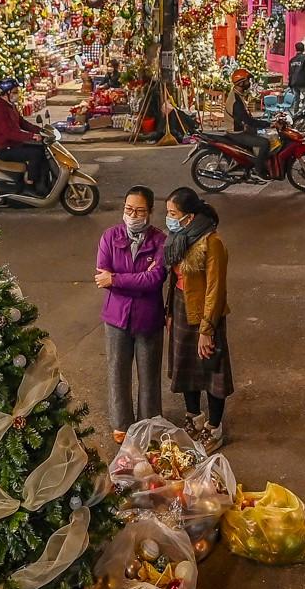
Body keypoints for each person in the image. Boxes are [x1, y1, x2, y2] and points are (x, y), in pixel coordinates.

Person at [95, 187, 168, 440]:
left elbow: (155, 279)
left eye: (139, 210)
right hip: (116, 318)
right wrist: (134, 280)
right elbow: (101, 276)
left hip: (149, 318)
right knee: (117, 370)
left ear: (149, 212)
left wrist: (116, 279)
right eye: (128, 209)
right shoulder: (109, 237)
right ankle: (121, 424)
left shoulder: (160, 241)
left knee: (149, 373)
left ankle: (150, 422)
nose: (132, 215)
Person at [163, 188, 231, 451]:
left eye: (173, 214)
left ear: (189, 217)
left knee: (211, 368)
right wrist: (169, 311)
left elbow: (216, 289)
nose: (168, 218)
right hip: (181, 307)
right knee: (185, 366)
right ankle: (194, 417)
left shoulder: (212, 242)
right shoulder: (179, 237)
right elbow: (174, 279)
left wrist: (207, 329)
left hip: (205, 313)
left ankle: (214, 428)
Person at [0, 78, 47, 194]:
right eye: (15, 92)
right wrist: (31, 136)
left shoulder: (10, 106)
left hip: (14, 144)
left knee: (42, 149)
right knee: (36, 154)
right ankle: (29, 187)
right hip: (5, 148)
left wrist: (40, 130)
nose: (17, 94)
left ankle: (42, 183)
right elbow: (9, 133)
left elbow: (22, 123)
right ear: (7, 93)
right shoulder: (1, 110)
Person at [227, 70, 273, 176]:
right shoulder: (236, 101)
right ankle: (258, 170)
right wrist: (269, 124)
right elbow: (249, 121)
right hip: (237, 132)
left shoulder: (238, 95)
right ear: (241, 82)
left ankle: (252, 164)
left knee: (263, 134)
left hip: (241, 128)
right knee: (265, 143)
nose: (249, 83)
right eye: (248, 80)